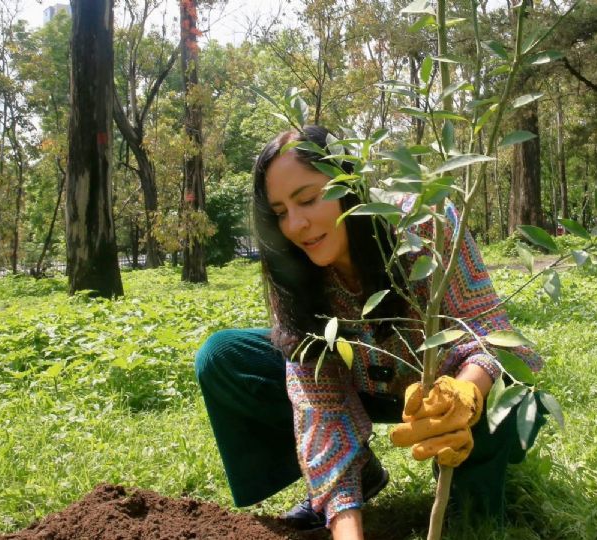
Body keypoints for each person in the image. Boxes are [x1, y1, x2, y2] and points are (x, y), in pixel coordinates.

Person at [195, 125, 545, 540]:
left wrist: (464, 394)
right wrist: (345, 522)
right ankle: (356, 474)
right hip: (359, 384)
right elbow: (317, 401)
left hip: (445, 388)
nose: (296, 224)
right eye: (280, 211)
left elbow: (489, 328)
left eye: (307, 199)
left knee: (475, 503)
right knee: (223, 355)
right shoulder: (292, 271)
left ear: (350, 184)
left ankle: (470, 492)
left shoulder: (423, 222)